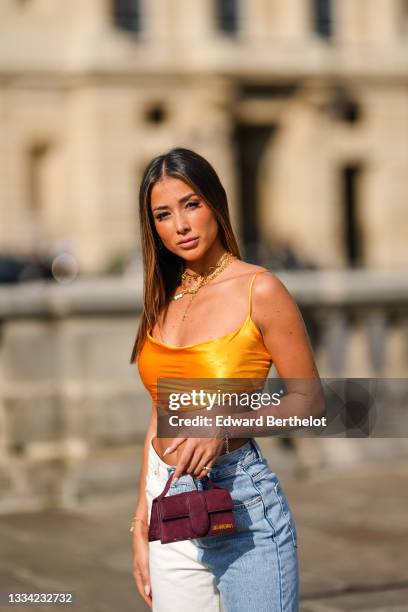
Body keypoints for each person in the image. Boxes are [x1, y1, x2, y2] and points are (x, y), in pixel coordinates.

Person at [129, 148, 321, 612]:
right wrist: (140, 518)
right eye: (164, 214)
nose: (181, 225)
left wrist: (223, 423)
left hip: (240, 503)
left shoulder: (261, 289)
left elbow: (311, 402)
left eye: (192, 204)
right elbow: (162, 410)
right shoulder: (165, 296)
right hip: (168, 505)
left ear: (216, 203)